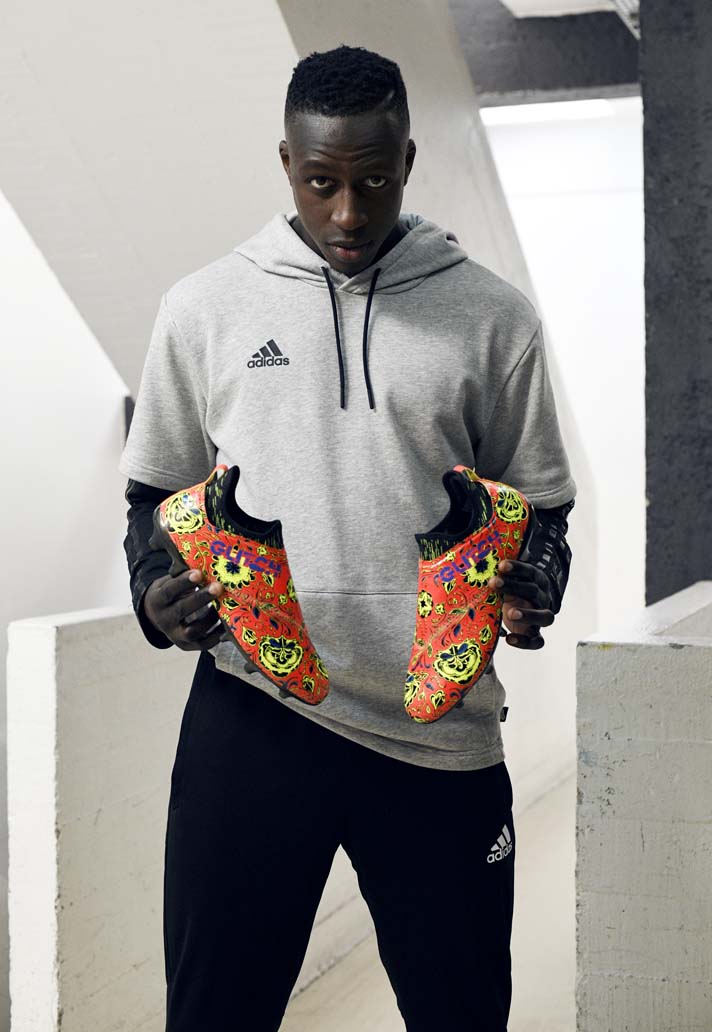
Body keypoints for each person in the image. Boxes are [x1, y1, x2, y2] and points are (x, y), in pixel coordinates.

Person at [120, 44, 576, 1032]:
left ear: (407, 160)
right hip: (253, 714)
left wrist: (533, 585)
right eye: (321, 182)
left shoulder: (493, 319)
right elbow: (153, 497)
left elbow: (541, 510)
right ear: (286, 162)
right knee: (213, 1014)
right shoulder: (203, 309)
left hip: (439, 733)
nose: (347, 214)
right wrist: (155, 596)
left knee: (461, 1016)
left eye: (373, 182)